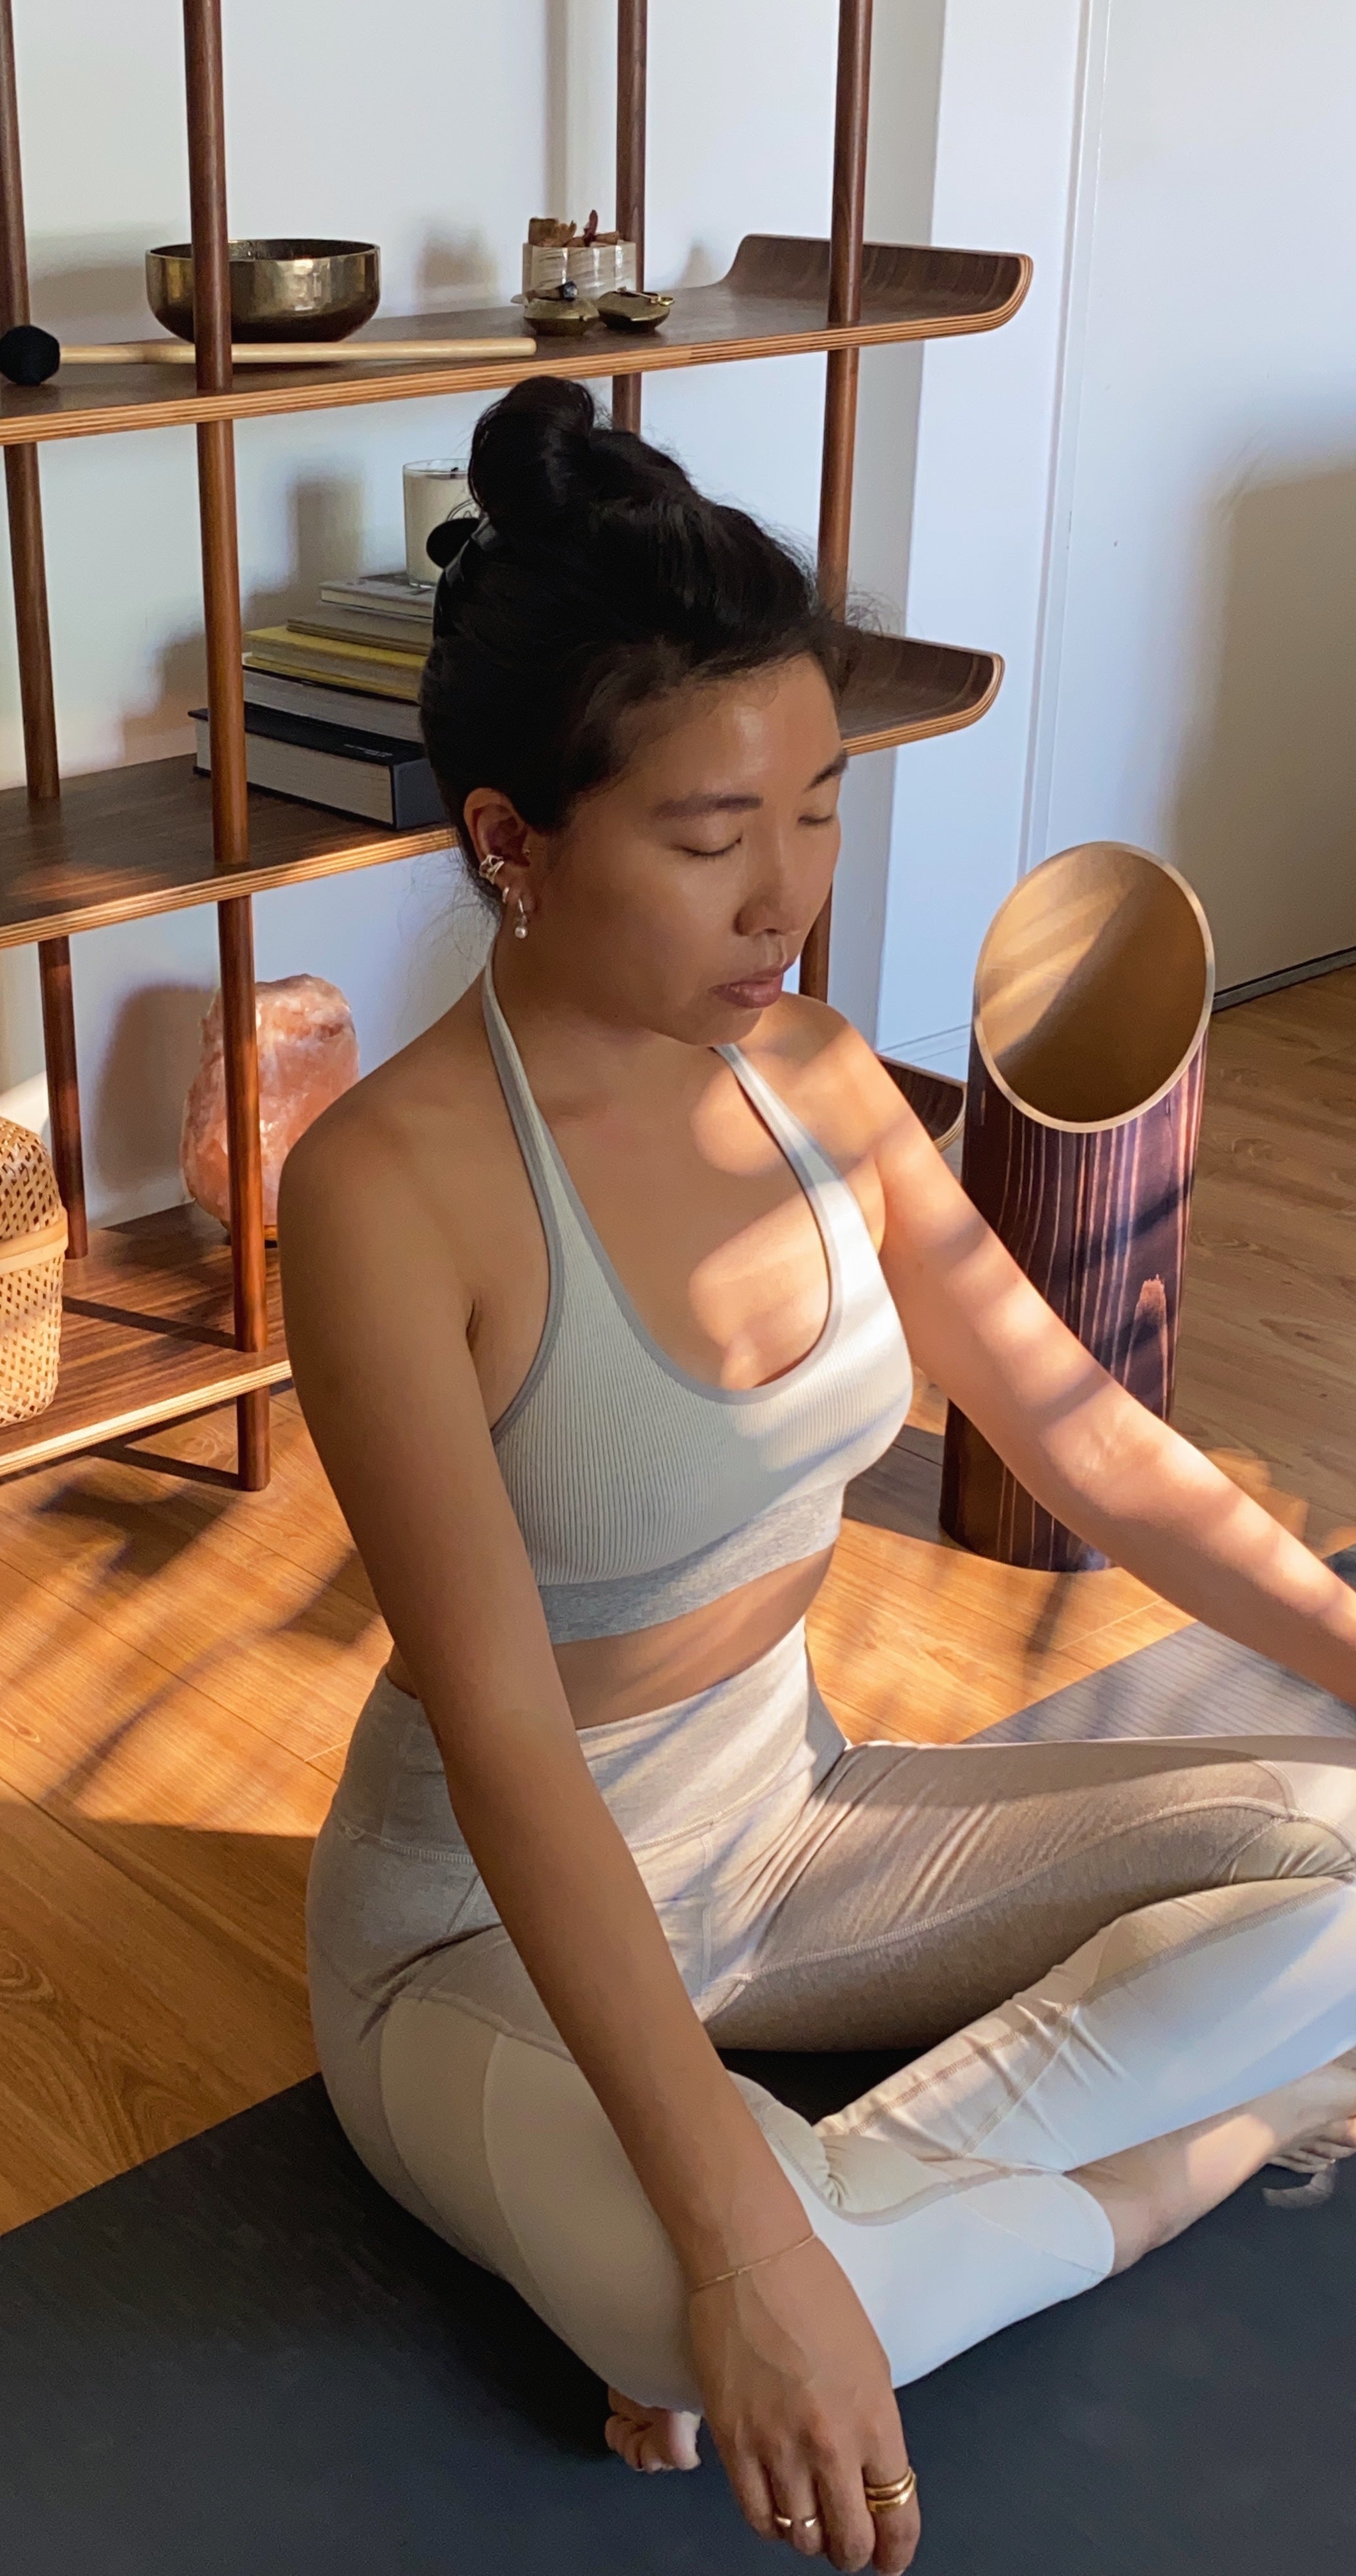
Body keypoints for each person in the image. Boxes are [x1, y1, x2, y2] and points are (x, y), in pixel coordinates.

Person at [281, 378, 1356, 2575]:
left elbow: (1084, 1441)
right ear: (513, 841)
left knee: (1344, 1866)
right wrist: (748, 2265)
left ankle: (844, 2207)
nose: (786, 896)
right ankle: (1206, 2149)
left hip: (789, 1830)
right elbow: (500, 1743)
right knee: (732, 2323)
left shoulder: (821, 1082)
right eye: (705, 836)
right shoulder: (385, 1192)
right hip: (480, 1932)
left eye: (822, 809)